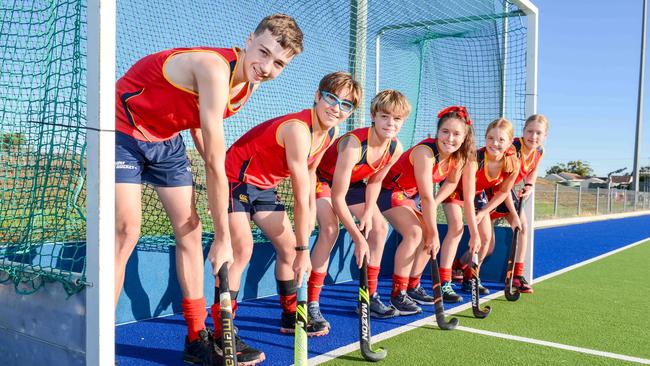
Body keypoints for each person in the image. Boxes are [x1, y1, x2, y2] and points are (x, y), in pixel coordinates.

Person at [114, 14, 303, 365]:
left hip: (168, 139)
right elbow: (216, 163)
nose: (267, 67)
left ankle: (195, 338)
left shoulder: (249, 83)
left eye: (279, 63)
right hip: (123, 127)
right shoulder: (216, 68)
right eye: (263, 53)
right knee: (127, 230)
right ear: (248, 41)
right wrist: (223, 237)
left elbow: (201, 125)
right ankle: (97, 342)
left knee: (189, 229)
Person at [211, 72, 362, 356]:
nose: (336, 108)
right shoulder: (297, 129)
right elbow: (299, 195)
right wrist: (306, 247)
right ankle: (222, 334)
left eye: (346, 105)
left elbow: (310, 175)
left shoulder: (329, 133)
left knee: (289, 251)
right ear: (318, 96)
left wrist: (300, 248)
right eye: (331, 98)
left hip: (264, 187)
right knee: (242, 250)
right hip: (233, 179)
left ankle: (290, 315)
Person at [307, 90, 410, 331]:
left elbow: (374, 182)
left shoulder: (395, 148)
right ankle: (311, 302)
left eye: (397, 119)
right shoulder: (354, 145)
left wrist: (366, 214)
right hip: (321, 179)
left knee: (379, 227)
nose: (391, 123)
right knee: (331, 230)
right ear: (373, 116)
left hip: (352, 184)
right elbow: (337, 196)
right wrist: (356, 236)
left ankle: (369, 296)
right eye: (385, 116)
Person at [376, 106, 476, 315]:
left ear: (465, 136)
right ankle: (397, 293)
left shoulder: (458, 157)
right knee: (417, 233)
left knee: (427, 240)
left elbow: (450, 183)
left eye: (456, 134)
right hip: (390, 190)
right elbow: (426, 196)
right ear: (437, 132)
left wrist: (435, 204)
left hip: (411, 196)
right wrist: (432, 230)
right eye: (445, 132)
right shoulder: (425, 152)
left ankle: (413, 286)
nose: (449, 138)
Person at [441, 118, 520, 301]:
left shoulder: (512, 163)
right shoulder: (474, 159)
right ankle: (444, 282)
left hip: (477, 195)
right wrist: (473, 232)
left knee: (485, 240)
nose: (495, 143)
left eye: (501, 140)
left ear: (510, 142)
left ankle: (470, 276)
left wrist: (485, 212)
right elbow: (467, 197)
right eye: (491, 138)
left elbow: (503, 192)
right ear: (485, 138)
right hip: (455, 190)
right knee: (457, 228)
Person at [481, 114, 548, 293]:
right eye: (530, 131)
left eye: (538, 133)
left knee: (523, 228)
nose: (533, 136)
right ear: (523, 131)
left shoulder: (539, 151)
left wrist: (529, 185)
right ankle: (462, 266)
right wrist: (514, 212)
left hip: (505, 191)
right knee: (487, 246)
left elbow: (533, 170)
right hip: (492, 191)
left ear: (545, 136)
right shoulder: (513, 150)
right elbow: (503, 188)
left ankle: (516, 276)